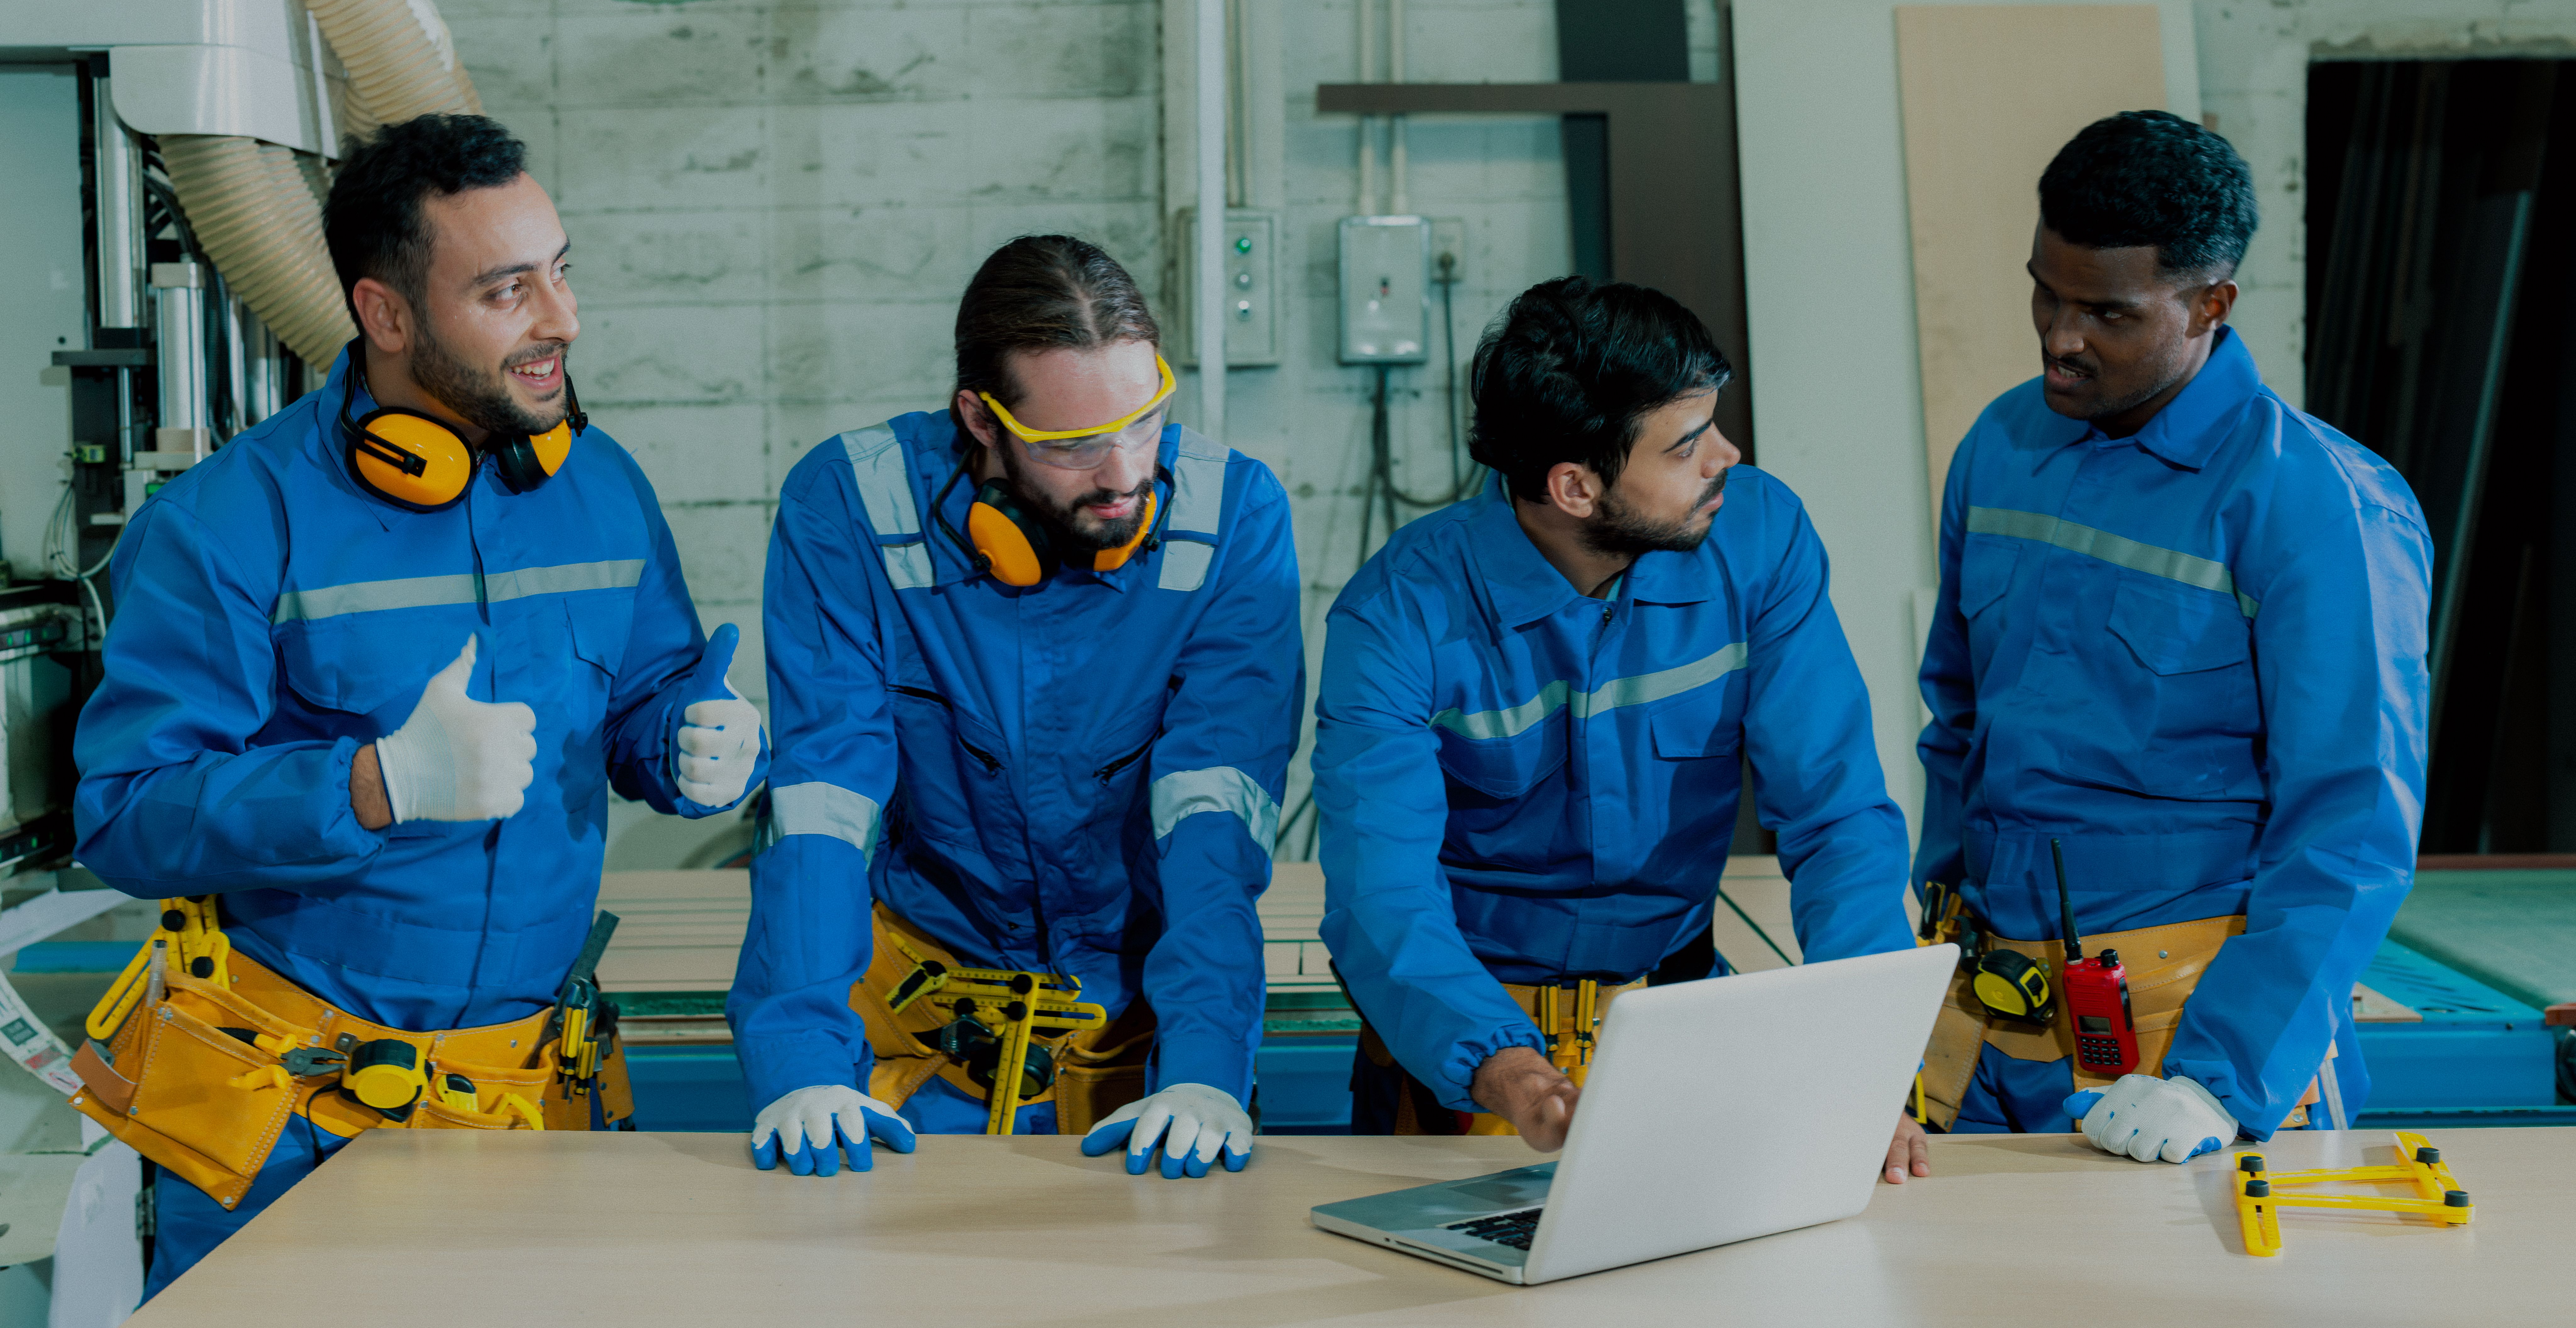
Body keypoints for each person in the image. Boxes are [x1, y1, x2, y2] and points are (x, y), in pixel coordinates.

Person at [70, 113, 764, 1296]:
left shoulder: (600, 487)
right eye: (508, 292)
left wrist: (695, 746)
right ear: (386, 315)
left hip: (538, 1105)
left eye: (560, 271)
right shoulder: (227, 526)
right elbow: (128, 814)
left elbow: (650, 692)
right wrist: (370, 787)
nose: (563, 322)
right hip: (297, 1127)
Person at [1314, 277, 1926, 1182]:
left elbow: (1837, 816)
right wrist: (1507, 1069)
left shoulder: (1759, 537)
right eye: (1687, 444)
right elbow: (1381, 897)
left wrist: (1863, 1061)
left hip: (1675, 1029)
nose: (1729, 454)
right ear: (1574, 487)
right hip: (1463, 1065)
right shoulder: (1397, 616)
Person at [1914, 110, 2429, 1162]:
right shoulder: (2001, 446)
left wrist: (2220, 1080)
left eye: (2107, 312)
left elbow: (2353, 825)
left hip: (2181, 1046)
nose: (2061, 337)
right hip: (1980, 1032)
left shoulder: (2316, 508)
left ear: (2210, 304)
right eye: (2045, 292)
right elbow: (1957, 722)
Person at [730, 235, 1300, 1179]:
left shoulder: (1232, 517)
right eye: (1074, 445)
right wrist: (800, 1054)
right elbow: (825, 795)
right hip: (917, 1030)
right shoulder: (852, 505)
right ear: (981, 421)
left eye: (1146, 421)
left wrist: (1205, 1070)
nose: (1123, 473)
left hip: (1138, 1027)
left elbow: (1213, 817)